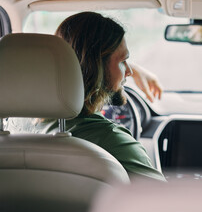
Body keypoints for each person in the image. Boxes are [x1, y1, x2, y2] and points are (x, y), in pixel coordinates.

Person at [7, 12, 166, 182]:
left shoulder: (14, 127)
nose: (130, 71)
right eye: (123, 61)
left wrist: (121, 66)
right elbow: (166, 206)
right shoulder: (111, 141)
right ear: (97, 68)